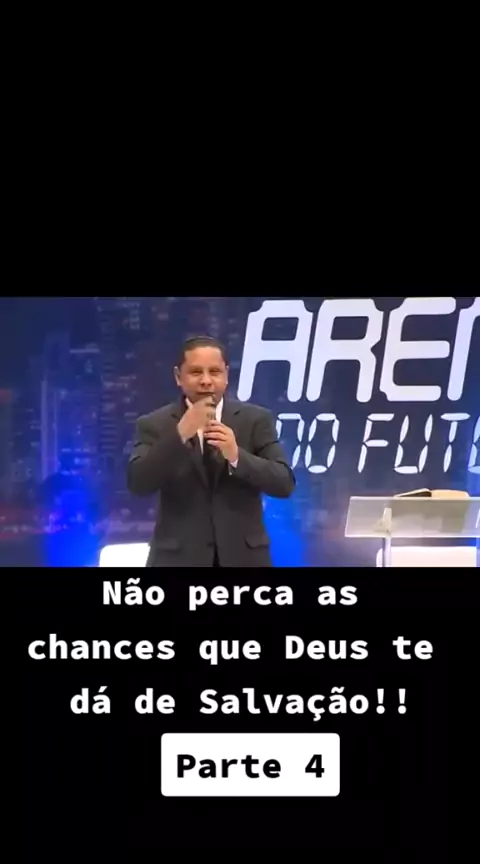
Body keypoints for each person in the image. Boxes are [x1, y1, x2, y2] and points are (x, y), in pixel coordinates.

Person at [127, 335, 295, 566]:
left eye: (214, 372)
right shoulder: (154, 424)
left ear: (226, 375)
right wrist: (179, 435)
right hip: (178, 560)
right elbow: (139, 482)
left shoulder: (255, 420)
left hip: (244, 560)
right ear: (178, 376)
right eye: (196, 372)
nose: (206, 381)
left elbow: (284, 483)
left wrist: (236, 456)